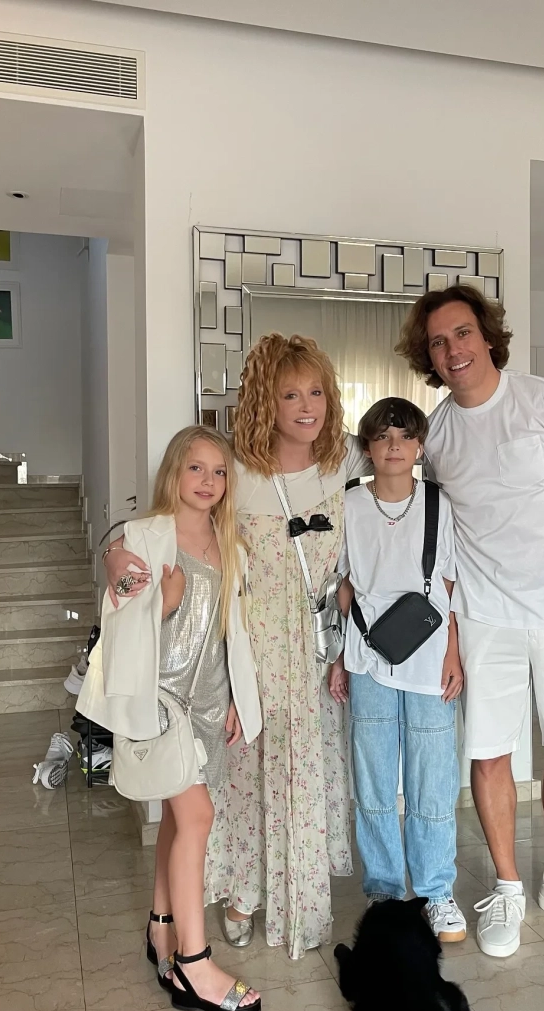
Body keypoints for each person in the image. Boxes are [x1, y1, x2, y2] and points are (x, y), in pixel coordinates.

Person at [103, 334, 370, 959]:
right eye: (289, 395)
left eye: (316, 393)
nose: (307, 407)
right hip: (246, 649)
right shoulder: (234, 472)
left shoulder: (346, 461)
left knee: (305, 774)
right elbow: (160, 524)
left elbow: (404, 461)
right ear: (263, 402)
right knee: (242, 780)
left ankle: (301, 899)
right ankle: (241, 893)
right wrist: (114, 555)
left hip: (314, 652)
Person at [396, 285, 544, 958]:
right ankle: (507, 887)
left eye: (462, 333)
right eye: (438, 342)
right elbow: (409, 513)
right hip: (485, 615)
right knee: (489, 752)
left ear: (487, 334)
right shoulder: (436, 433)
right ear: (428, 357)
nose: (453, 350)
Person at [79, 426, 263, 1011]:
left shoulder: (229, 543)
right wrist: (166, 601)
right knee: (198, 816)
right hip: (162, 703)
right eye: (196, 468)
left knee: (179, 818)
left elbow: (232, 632)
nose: (208, 481)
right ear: (174, 473)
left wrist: (236, 696)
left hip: (209, 701)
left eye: (219, 471)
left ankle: (160, 924)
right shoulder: (141, 537)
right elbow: (121, 623)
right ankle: (194, 962)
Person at [328, 397, 467, 942]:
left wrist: (453, 652)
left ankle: (435, 891)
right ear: (367, 446)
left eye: (405, 436)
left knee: (434, 777)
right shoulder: (349, 505)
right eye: (383, 436)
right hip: (367, 656)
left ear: (419, 446)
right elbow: (341, 585)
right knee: (374, 779)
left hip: (429, 656)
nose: (394, 446)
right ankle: (383, 891)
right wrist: (342, 657)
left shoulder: (438, 503)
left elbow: (449, 584)